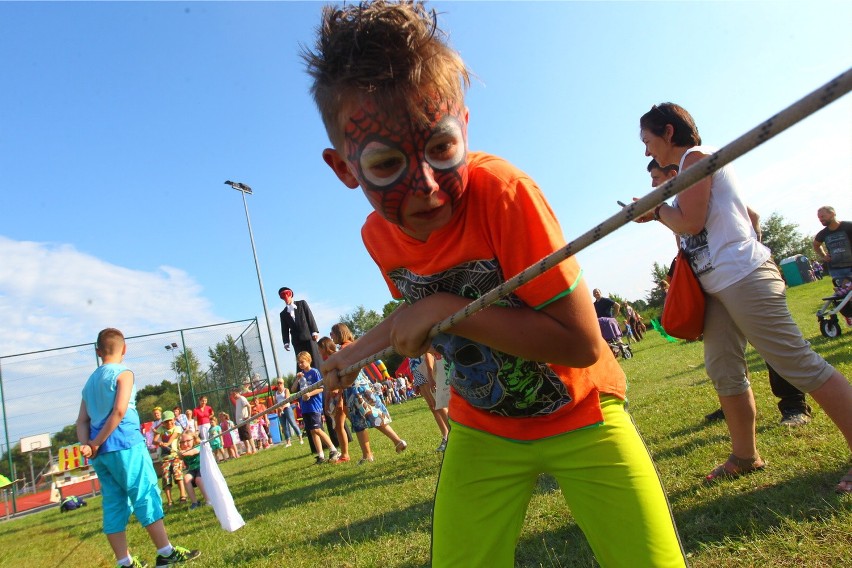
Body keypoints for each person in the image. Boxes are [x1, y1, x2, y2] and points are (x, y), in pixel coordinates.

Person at [307, 3, 687, 565]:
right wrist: (358, 353)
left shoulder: (505, 194)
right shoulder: (379, 236)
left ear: (463, 126)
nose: (428, 187)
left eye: (440, 149)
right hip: (482, 429)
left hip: (583, 414)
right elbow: (416, 314)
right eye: (386, 164)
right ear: (344, 169)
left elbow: (582, 342)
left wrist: (440, 304)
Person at [636, 102, 852, 492]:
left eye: (648, 141)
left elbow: (690, 222)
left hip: (741, 276)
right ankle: (745, 456)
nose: (647, 151)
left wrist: (655, 211)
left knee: (796, 362)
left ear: (668, 133)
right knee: (724, 370)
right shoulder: (691, 167)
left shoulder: (695, 159)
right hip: (716, 285)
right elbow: (748, 214)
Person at [648, 159, 815, 428]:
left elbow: (753, 216)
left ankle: (794, 405)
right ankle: (733, 406)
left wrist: (750, 258)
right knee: (726, 354)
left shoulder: (703, 190)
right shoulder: (678, 203)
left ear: (672, 174)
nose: (654, 185)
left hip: (740, 276)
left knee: (772, 345)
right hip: (714, 282)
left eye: (656, 178)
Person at [76, 328, 200, 567]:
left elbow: (82, 421)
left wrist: (89, 445)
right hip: (125, 445)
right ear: (124, 349)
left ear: (98, 351)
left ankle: (124, 562)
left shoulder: (89, 384)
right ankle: (166, 552)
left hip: (101, 455)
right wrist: (98, 441)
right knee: (144, 493)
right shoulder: (124, 374)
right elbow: (120, 411)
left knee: (113, 503)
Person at [331, 323, 407, 464]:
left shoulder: (342, 351)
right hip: (366, 386)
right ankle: (397, 441)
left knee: (359, 423)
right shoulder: (357, 346)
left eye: (332, 333)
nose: (331, 336)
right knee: (376, 416)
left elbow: (342, 375)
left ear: (339, 334)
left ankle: (367, 455)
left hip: (353, 389)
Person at [296, 351, 341, 464]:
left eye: (302, 362)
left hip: (314, 406)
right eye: (298, 363)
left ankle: (333, 449)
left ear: (308, 360)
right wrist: (297, 379)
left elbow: (321, 388)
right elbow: (293, 389)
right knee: (312, 432)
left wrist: (309, 394)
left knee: (317, 429)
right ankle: (320, 455)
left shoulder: (314, 372)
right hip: (305, 407)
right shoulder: (301, 375)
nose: (300, 364)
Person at [410, 349, 450, 452]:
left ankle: (452, 434)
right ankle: (445, 435)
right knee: (433, 407)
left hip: (425, 368)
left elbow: (427, 351)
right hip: (417, 370)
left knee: (438, 404)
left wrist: (430, 374)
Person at [278, 286, 323, 371]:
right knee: (301, 362)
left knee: (315, 359)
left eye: (287, 294)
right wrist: (286, 342)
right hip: (297, 341)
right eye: (283, 296)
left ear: (291, 294)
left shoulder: (302, 304)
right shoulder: (283, 314)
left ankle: (320, 377)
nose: (286, 297)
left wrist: (314, 331)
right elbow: (284, 329)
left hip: (309, 338)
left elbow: (310, 316)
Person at [813, 206, 852, 280]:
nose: (821, 219)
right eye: (819, 218)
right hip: (836, 270)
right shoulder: (823, 233)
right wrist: (823, 256)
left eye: (822, 216)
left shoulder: (849, 226)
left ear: (832, 214)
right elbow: (816, 245)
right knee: (841, 291)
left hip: (850, 267)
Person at [177, 431, 209, 510]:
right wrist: (180, 454)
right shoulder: (183, 451)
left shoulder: (198, 446)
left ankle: (209, 500)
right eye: (182, 442)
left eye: (188, 441)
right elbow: (181, 457)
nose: (185, 444)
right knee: (186, 478)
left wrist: (184, 453)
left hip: (202, 468)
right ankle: (195, 502)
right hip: (192, 470)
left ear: (194, 440)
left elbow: (194, 452)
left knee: (198, 480)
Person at [273, 378, 304, 448]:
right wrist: (278, 410)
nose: (279, 384)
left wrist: (282, 408)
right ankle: (288, 442)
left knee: (293, 423)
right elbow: (275, 403)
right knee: (284, 427)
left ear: (283, 383)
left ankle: (300, 438)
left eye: (280, 383)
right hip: (280, 411)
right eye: (278, 383)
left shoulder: (286, 390)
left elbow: (287, 400)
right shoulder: (276, 393)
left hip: (287, 408)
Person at [232, 388, 256, 455]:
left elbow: (248, 406)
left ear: (238, 393)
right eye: (233, 395)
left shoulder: (242, 398)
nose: (234, 396)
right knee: (243, 437)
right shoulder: (237, 401)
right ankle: (248, 450)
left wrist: (249, 416)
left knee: (248, 435)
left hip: (244, 421)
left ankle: (253, 448)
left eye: (235, 394)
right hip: (239, 422)